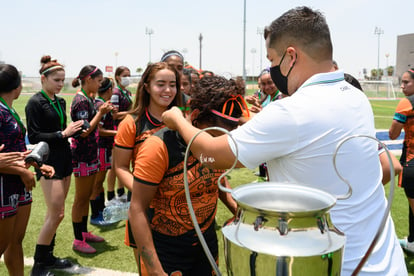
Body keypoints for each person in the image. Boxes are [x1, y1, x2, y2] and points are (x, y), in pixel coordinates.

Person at [162, 6, 407, 275]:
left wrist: (178, 120)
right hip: (384, 261)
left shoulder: (293, 112)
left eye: (272, 60)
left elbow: (212, 154)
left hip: (331, 264)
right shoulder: (354, 96)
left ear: (291, 56)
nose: (271, 69)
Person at [129, 75, 241, 275]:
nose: (217, 145)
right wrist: (154, 269)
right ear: (196, 115)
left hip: (205, 240)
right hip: (168, 249)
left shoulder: (218, 140)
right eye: (215, 136)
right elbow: (137, 209)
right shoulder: (158, 147)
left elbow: (217, 178)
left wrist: (237, 209)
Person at [113, 62, 183, 267]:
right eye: (161, 84)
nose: (168, 90)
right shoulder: (131, 122)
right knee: (149, 270)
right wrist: (144, 191)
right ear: (147, 86)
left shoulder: (183, 119)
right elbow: (120, 167)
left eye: (173, 84)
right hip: (145, 210)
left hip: (178, 214)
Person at [25, 56, 84, 275]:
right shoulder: (34, 102)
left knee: (57, 212)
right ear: (43, 78)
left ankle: (48, 257)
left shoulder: (59, 101)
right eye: (57, 80)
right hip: (48, 160)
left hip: (64, 157)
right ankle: (39, 264)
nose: (60, 84)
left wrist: (75, 130)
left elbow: (63, 130)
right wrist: (62, 133)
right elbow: (33, 135)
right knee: (56, 213)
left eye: (62, 80)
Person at [0, 64, 54, 276]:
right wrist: (21, 171)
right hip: (4, 186)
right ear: (18, 86)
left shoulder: (8, 109)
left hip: (18, 183)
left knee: (16, 241)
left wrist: (35, 163)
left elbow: (14, 149)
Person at [70, 65, 113, 254]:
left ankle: (84, 232)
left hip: (91, 155)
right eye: (98, 80)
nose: (100, 84)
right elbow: (85, 131)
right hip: (82, 156)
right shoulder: (80, 100)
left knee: (86, 197)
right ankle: (77, 239)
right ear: (88, 80)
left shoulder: (89, 98)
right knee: (80, 199)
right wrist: (101, 113)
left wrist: (100, 110)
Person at [389, 68, 414, 253]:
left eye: (406, 82)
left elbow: (392, 134)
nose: (402, 86)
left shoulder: (406, 103)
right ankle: (412, 242)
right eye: (402, 82)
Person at [89, 77, 117, 226]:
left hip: (104, 147)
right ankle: (95, 215)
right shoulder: (101, 105)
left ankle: (101, 209)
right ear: (109, 90)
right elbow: (99, 130)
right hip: (101, 147)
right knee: (97, 182)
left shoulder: (102, 104)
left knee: (100, 182)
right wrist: (117, 133)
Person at [108, 66, 132, 203]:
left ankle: (121, 191)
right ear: (118, 77)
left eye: (129, 75)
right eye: (125, 75)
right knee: (115, 165)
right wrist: (132, 112)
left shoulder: (128, 92)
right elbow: (114, 115)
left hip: (126, 130)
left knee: (124, 164)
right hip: (117, 131)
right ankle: (111, 195)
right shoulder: (116, 93)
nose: (127, 78)